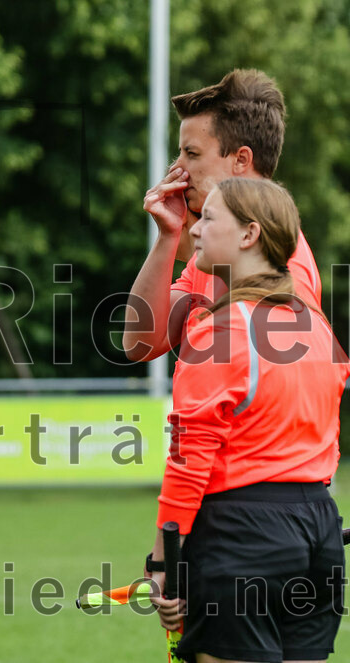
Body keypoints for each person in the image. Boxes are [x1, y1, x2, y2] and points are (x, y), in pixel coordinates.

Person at [146, 178, 347, 663]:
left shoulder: (217, 328)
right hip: (321, 532)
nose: (196, 230)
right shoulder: (316, 324)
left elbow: (187, 457)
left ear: (249, 234)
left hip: (240, 534)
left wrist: (161, 563)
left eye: (209, 219)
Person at [123, 69, 322, 362]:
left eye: (192, 153)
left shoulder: (285, 263)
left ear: (241, 159)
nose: (177, 169)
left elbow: (280, 383)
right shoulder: (213, 253)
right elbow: (140, 344)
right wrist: (168, 236)